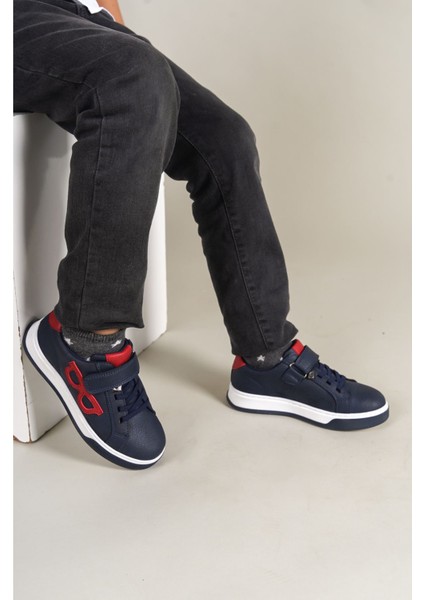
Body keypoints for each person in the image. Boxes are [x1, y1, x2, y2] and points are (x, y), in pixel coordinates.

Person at [14, 0, 389, 470]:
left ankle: (265, 357)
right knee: (132, 76)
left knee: (224, 138)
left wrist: (107, 22)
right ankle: (87, 342)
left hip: (70, 12)